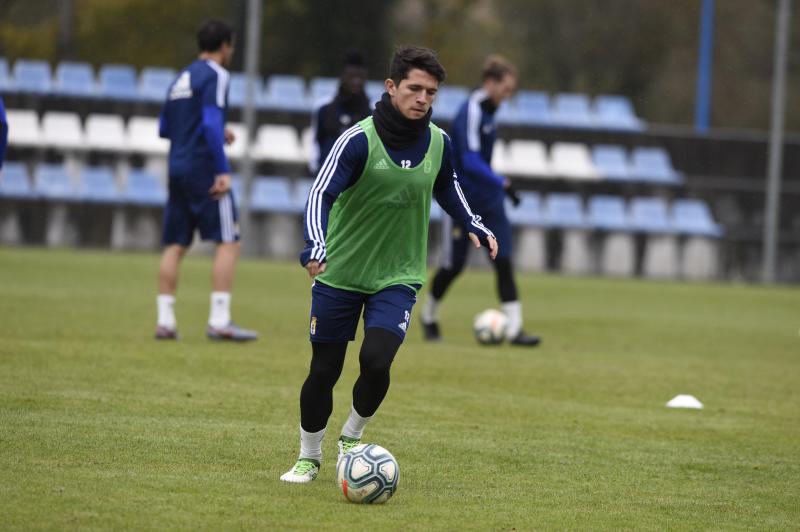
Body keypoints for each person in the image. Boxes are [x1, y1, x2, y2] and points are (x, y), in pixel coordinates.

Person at [280, 46, 498, 483]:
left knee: (377, 360)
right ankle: (308, 455)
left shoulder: (439, 142)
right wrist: (315, 245)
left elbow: (449, 188)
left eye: (431, 93)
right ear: (392, 87)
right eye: (414, 88)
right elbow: (321, 193)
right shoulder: (358, 139)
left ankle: (352, 438)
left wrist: (473, 222)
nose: (422, 99)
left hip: (398, 275)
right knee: (325, 370)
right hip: (340, 272)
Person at [421, 55, 541, 347]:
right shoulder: (472, 110)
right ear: (490, 83)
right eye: (505, 89)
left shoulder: (489, 111)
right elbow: (470, 161)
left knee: (504, 261)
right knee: (454, 265)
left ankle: (514, 330)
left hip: (489, 200)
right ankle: (428, 316)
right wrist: (503, 182)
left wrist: (498, 188)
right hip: (463, 200)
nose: (507, 96)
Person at [154, 19, 257, 342]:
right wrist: (222, 169)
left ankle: (165, 322)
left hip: (177, 165)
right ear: (225, 45)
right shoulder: (218, 75)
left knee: (177, 244)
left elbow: (164, 128)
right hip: (203, 168)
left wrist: (202, 131)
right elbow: (212, 122)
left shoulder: (180, 77)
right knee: (229, 241)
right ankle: (219, 320)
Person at [308, 49, 371, 174]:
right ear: (342, 76)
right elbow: (315, 141)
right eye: (352, 76)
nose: (356, 81)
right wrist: (318, 171)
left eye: (360, 77)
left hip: (359, 182)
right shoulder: (323, 108)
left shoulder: (373, 112)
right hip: (328, 177)